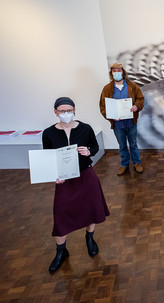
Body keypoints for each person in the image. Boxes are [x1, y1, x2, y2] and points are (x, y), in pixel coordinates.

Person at [43, 97, 110, 273]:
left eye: (69, 110)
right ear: (56, 112)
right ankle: (61, 251)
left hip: (86, 175)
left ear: (74, 110)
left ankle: (89, 238)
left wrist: (89, 151)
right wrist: (54, 175)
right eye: (62, 111)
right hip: (64, 180)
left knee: (91, 208)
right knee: (61, 214)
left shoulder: (85, 128)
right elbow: (48, 158)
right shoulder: (48, 133)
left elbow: (94, 148)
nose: (66, 114)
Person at [99, 63, 145, 176]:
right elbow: (102, 106)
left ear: (123, 71)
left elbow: (140, 99)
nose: (116, 72)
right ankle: (124, 164)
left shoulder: (132, 86)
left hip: (131, 121)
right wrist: (110, 116)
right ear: (111, 73)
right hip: (117, 123)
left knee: (133, 144)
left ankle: (136, 163)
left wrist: (136, 106)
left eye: (118, 70)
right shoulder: (107, 89)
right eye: (114, 71)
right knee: (122, 145)